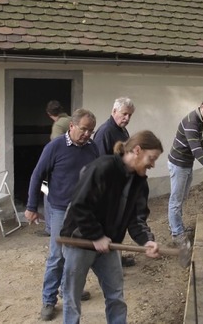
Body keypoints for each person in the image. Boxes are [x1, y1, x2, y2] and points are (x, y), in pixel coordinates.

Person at [60, 130, 163, 324]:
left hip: (110, 246)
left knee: (116, 296)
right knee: (72, 299)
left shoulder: (138, 181)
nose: (152, 164)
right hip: (79, 241)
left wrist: (146, 240)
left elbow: (135, 217)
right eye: (152, 158)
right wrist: (96, 235)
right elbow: (79, 205)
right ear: (137, 150)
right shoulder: (104, 167)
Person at [24, 108, 99, 321]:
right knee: (57, 256)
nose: (87, 134)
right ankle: (48, 300)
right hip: (59, 209)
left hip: (84, 211)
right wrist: (31, 207)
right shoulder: (54, 147)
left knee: (76, 254)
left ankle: (69, 289)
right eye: (84, 129)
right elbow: (37, 175)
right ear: (72, 126)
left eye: (91, 131)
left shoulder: (92, 148)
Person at [167, 95, 203, 247]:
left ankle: (176, 225)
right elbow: (196, 150)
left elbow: (199, 142)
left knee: (182, 197)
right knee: (176, 200)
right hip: (178, 164)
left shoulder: (200, 120)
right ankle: (177, 233)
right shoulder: (192, 122)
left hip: (186, 164)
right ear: (201, 107)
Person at [93, 96, 139, 267]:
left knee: (118, 225)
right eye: (124, 114)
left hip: (121, 186)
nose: (127, 118)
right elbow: (99, 164)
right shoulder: (105, 132)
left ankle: (116, 257)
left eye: (130, 116)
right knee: (108, 226)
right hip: (108, 188)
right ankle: (108, 262)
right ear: (114, 111)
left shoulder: (122, 130)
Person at [37, 100, 73, 237]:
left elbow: (56, 147)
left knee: (47, 194)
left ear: (49, 114)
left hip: (58, 168)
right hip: (70, 168)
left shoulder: (58, 125)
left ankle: (49, 228)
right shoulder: (70, 119)